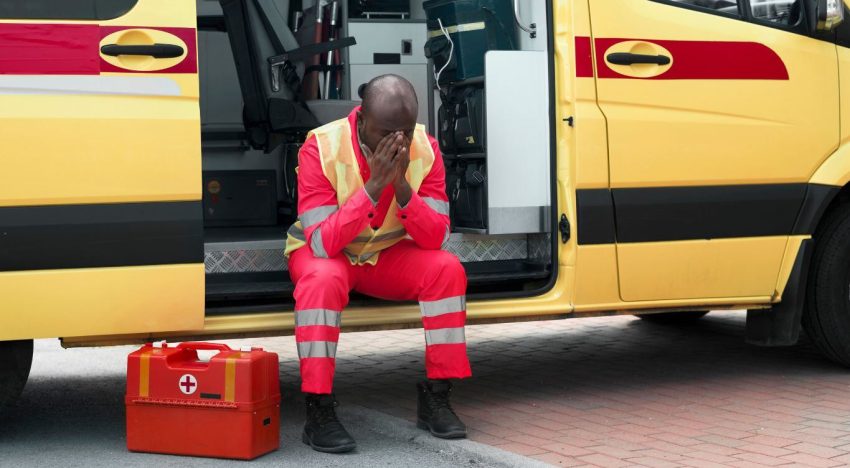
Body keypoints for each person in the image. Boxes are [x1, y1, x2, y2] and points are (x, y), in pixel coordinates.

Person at [284, 74, 472, 453]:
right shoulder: (320, 146)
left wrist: (401, 186)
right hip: (328, 253)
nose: (399, 140)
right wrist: (372, 187)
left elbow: (435, 237)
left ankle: (437, 394)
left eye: (405, 130)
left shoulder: (426, 148)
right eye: (387, 130)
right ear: (362, 117)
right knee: (321, 279)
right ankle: (318, 406)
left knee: (447, 268)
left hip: (385, 254)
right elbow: (321, 243)